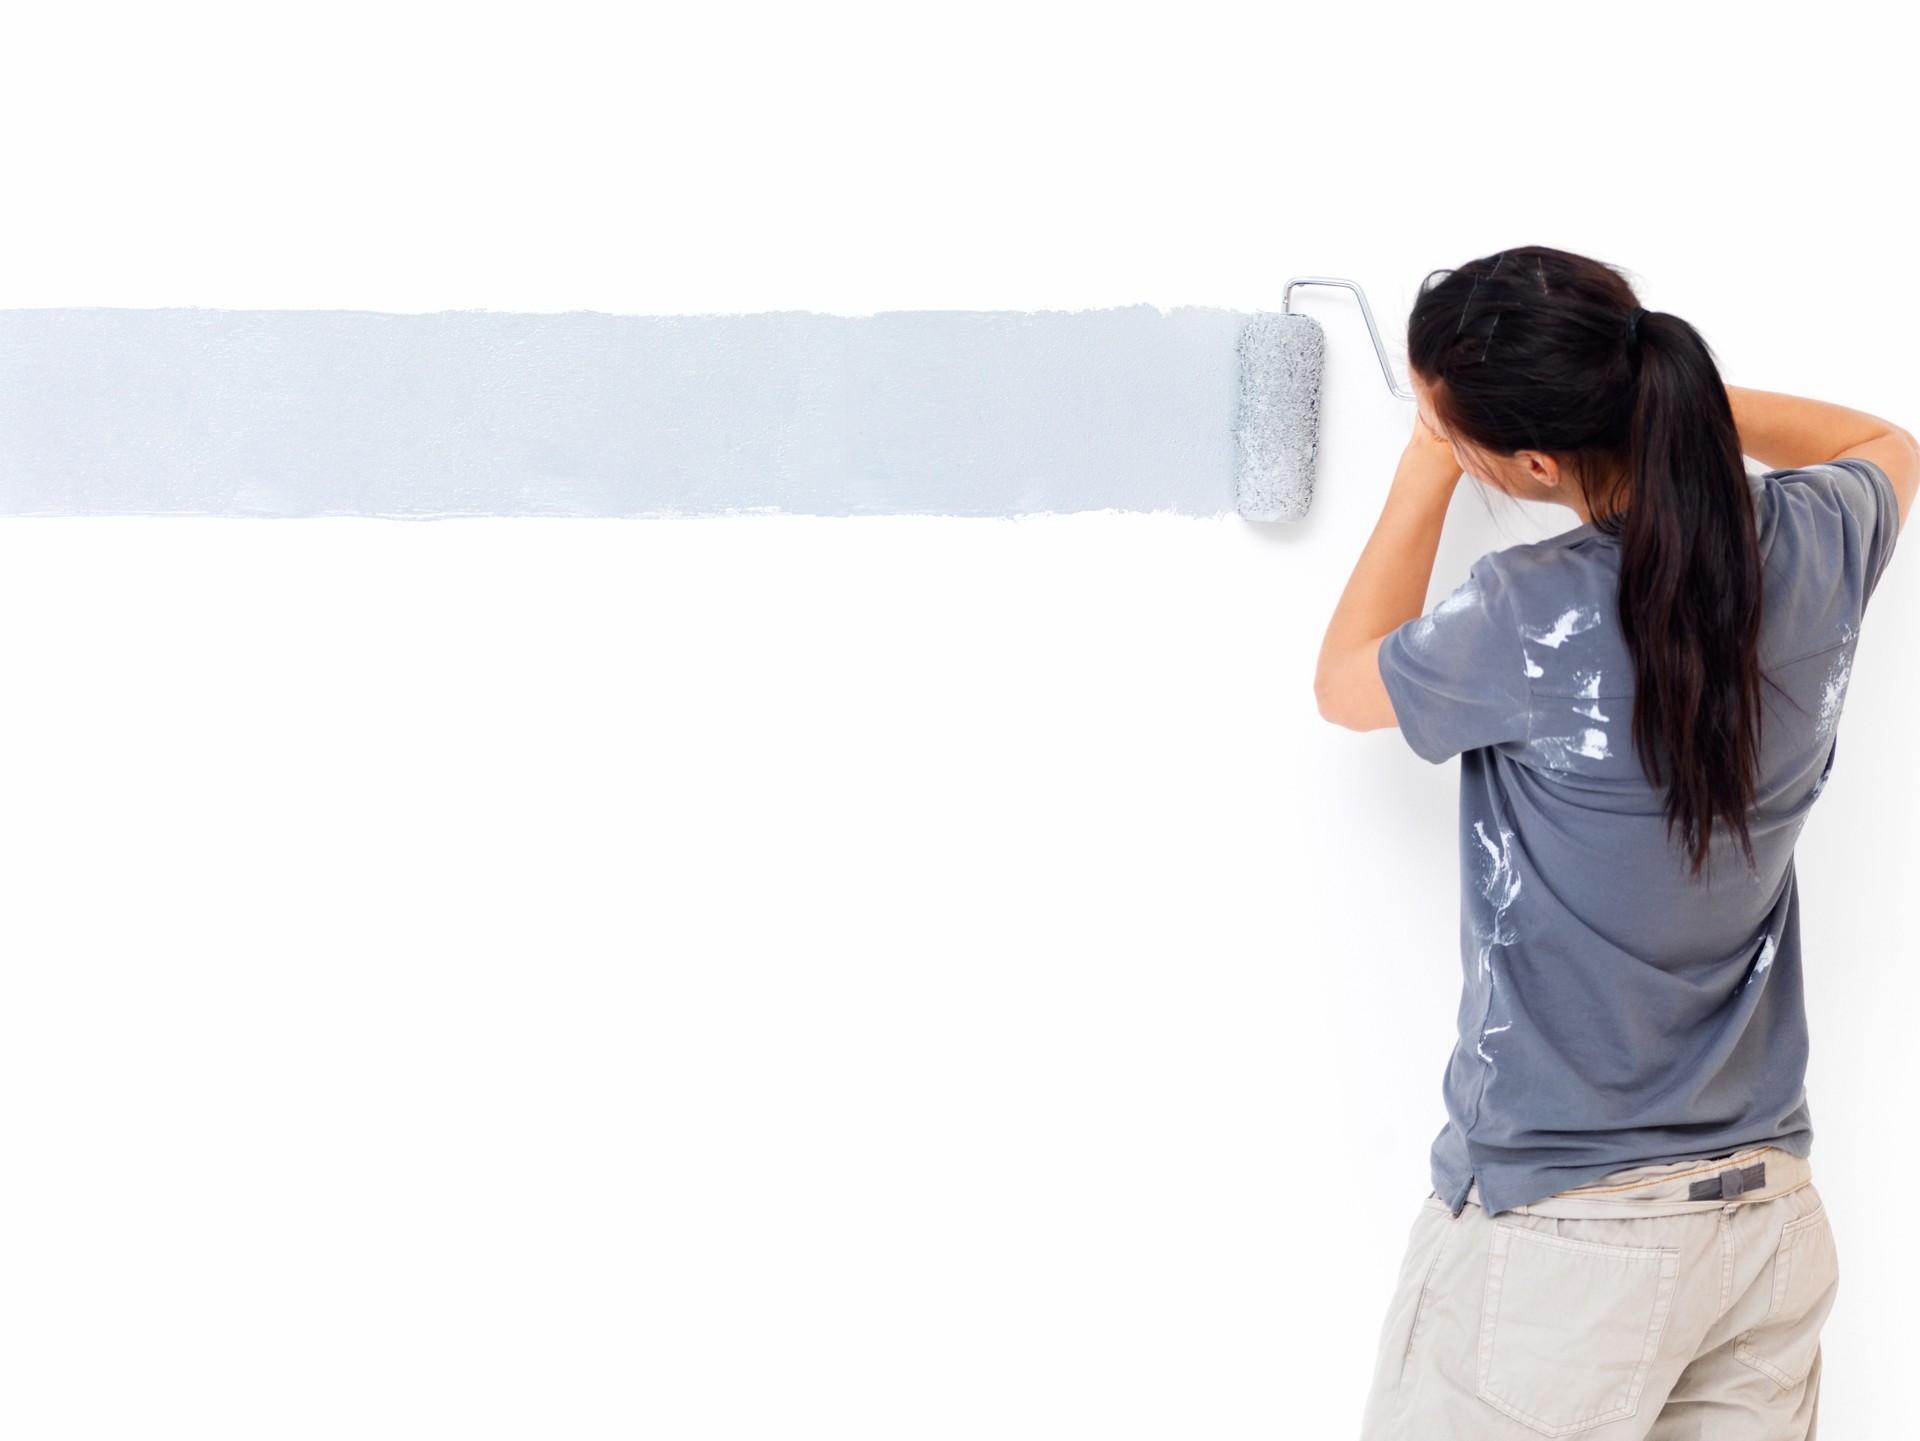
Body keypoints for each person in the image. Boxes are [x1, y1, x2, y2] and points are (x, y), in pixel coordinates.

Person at [1314, 245, 1916, 1439]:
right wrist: (1666, 399)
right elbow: (1890, 446)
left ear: (1535, 463)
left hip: (1564, 1248)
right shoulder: (1815, 548)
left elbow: (1343, 680)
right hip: (1763, 1228)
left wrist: (1427, 462)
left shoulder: (1526, 613)